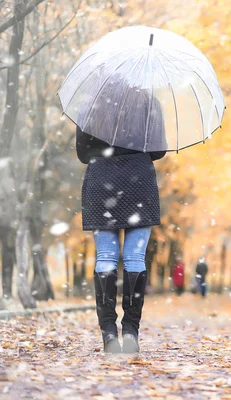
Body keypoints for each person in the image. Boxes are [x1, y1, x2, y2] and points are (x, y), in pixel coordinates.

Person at [77, 87, 167, 354]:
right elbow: (159, 151)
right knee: (135, 259)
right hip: (138, 181)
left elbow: (83, 154)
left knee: (105, 257)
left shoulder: (91, 100)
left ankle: (108, 335)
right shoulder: (148, 100)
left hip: (101, 182)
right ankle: (131, 332)